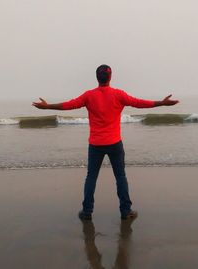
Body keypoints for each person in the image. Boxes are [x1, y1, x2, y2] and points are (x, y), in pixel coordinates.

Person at [32, 64, 179, 220]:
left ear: (97, 77)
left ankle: (87, 212)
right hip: (115, 143)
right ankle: (126, 211)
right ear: (110, 77)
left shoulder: (89, 96)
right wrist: (161, 103)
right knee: (120, 176)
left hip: (95, 144)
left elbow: (68, 105)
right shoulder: (118, 95)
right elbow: (139, 103)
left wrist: (48, 107)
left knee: (91, 177)